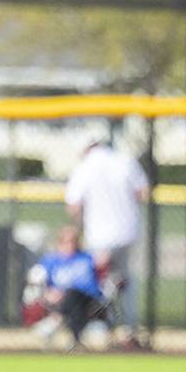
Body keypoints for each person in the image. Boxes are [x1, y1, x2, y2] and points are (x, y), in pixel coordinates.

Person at [65, 140, 148, 342]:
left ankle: (102, 328)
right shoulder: (125, 160)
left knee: (100, 283)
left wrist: (79, 226)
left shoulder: (85, 167)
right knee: (126, 283)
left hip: (99, 236)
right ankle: (130, 329)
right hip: (128, 232)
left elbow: (73, 206)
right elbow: (143, 192)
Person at [35, 225, 105, 345]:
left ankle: (56, 320)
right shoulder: (51, 260)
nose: (70, 244)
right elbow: (38, 280)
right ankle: (75, 338)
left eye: (74, 241)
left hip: (87, 299)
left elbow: (94, 284)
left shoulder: (86, 258)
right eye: (66, 241)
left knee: (73, 294)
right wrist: (48, 293)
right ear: (59, 242)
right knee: (70, 298)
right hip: (60, 301)